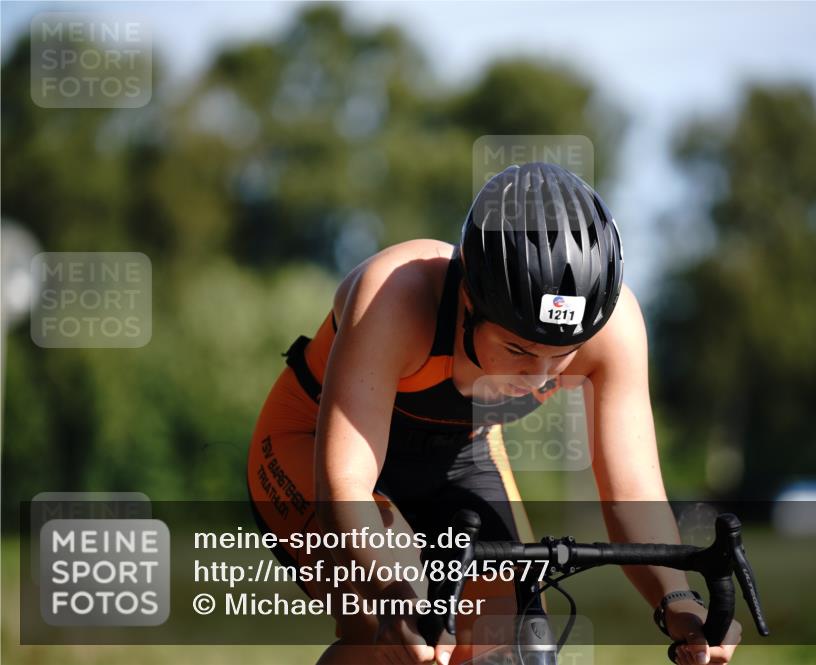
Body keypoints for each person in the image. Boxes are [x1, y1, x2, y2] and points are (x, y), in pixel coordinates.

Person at [246, 161, 741, 665]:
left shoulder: (612, 328)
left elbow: (632, 492)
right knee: (408, 630)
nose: (541, 376)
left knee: (518, 652)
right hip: (310, 448)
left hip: (463, 453)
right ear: (467, 300)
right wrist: (393, 590)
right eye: (519, 350)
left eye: (562, 355)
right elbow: (344, 489)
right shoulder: (396, 296)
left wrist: (678, 604)